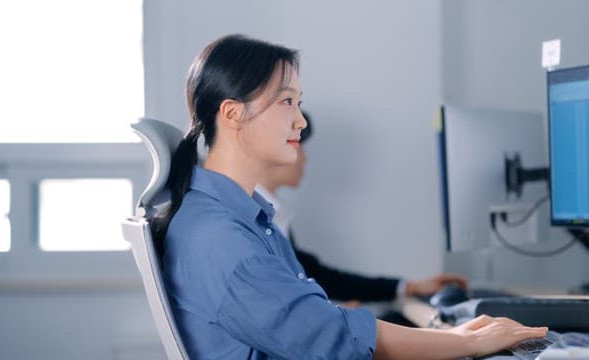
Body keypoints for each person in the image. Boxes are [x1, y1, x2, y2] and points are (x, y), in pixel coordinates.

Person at [154, 34, 547, 359]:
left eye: (299, 102)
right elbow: (332, 337)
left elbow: (315, 317)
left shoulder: (243, 218)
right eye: (286, 101)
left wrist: (459, 338)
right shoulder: (221, 239)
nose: (300, 120)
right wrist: (467, 342)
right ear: (232, 113)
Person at [256, 112, 468, 316]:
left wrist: (408, 287)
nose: (305, 158)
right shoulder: (251, 217)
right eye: (300, 147)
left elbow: (320, 277)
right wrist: (322, 316)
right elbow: (266, 305)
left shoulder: (277, 214)